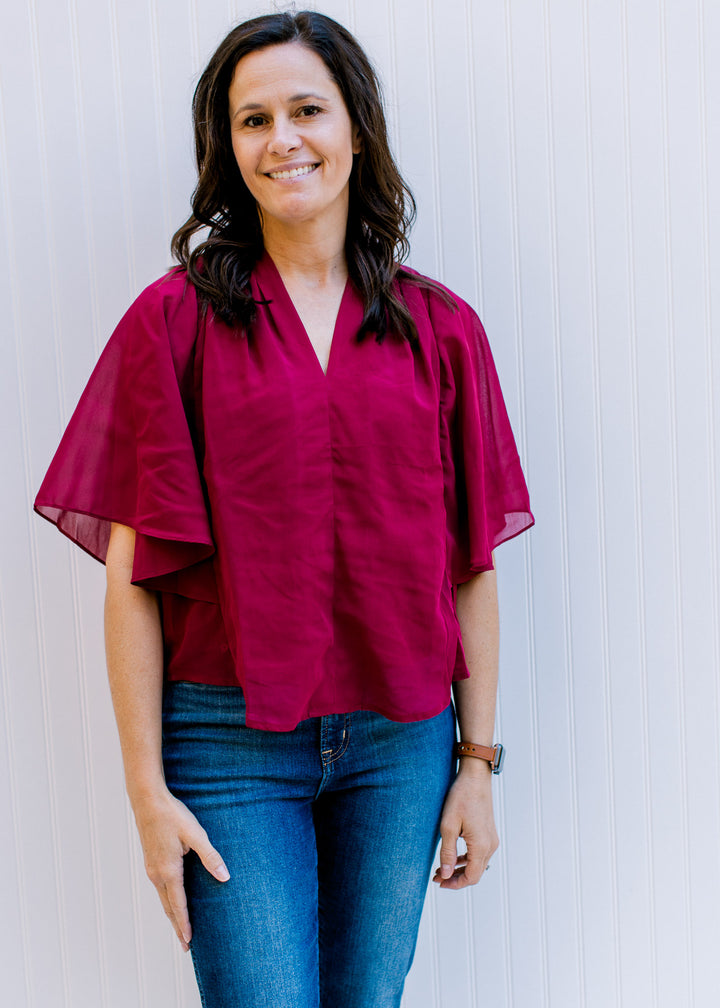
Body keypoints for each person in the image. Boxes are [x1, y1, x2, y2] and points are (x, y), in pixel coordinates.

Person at [35, 10, 533, 1008]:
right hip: (227, 741)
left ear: (357, 128)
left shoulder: (443, 330)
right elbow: (134, 579)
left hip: (404, 739)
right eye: (252, 119)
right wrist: (146, 792)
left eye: (308, 109)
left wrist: (477, 764)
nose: (283, 138)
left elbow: (472, 563)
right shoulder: (170, 323)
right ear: (228, 146)